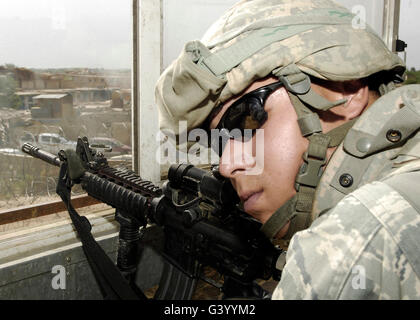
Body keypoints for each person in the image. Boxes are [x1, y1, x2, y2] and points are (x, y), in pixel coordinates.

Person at [155, 0, 420, 299]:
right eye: (220, 142)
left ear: (344, 91)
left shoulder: (352, 240)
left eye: (248, 119)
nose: (227, 166)